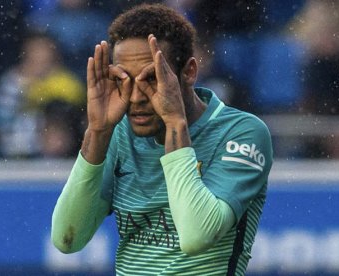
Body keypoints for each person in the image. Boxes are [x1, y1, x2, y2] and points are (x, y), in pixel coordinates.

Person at [51, 3, 272, 275]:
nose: (135, 97)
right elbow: (66, 239)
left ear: (189, 71)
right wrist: (97, 132)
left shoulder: (240, 133)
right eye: (124, 80)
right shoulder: (118, 133)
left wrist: (174, 124)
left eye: (151, 78)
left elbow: (196, 235)